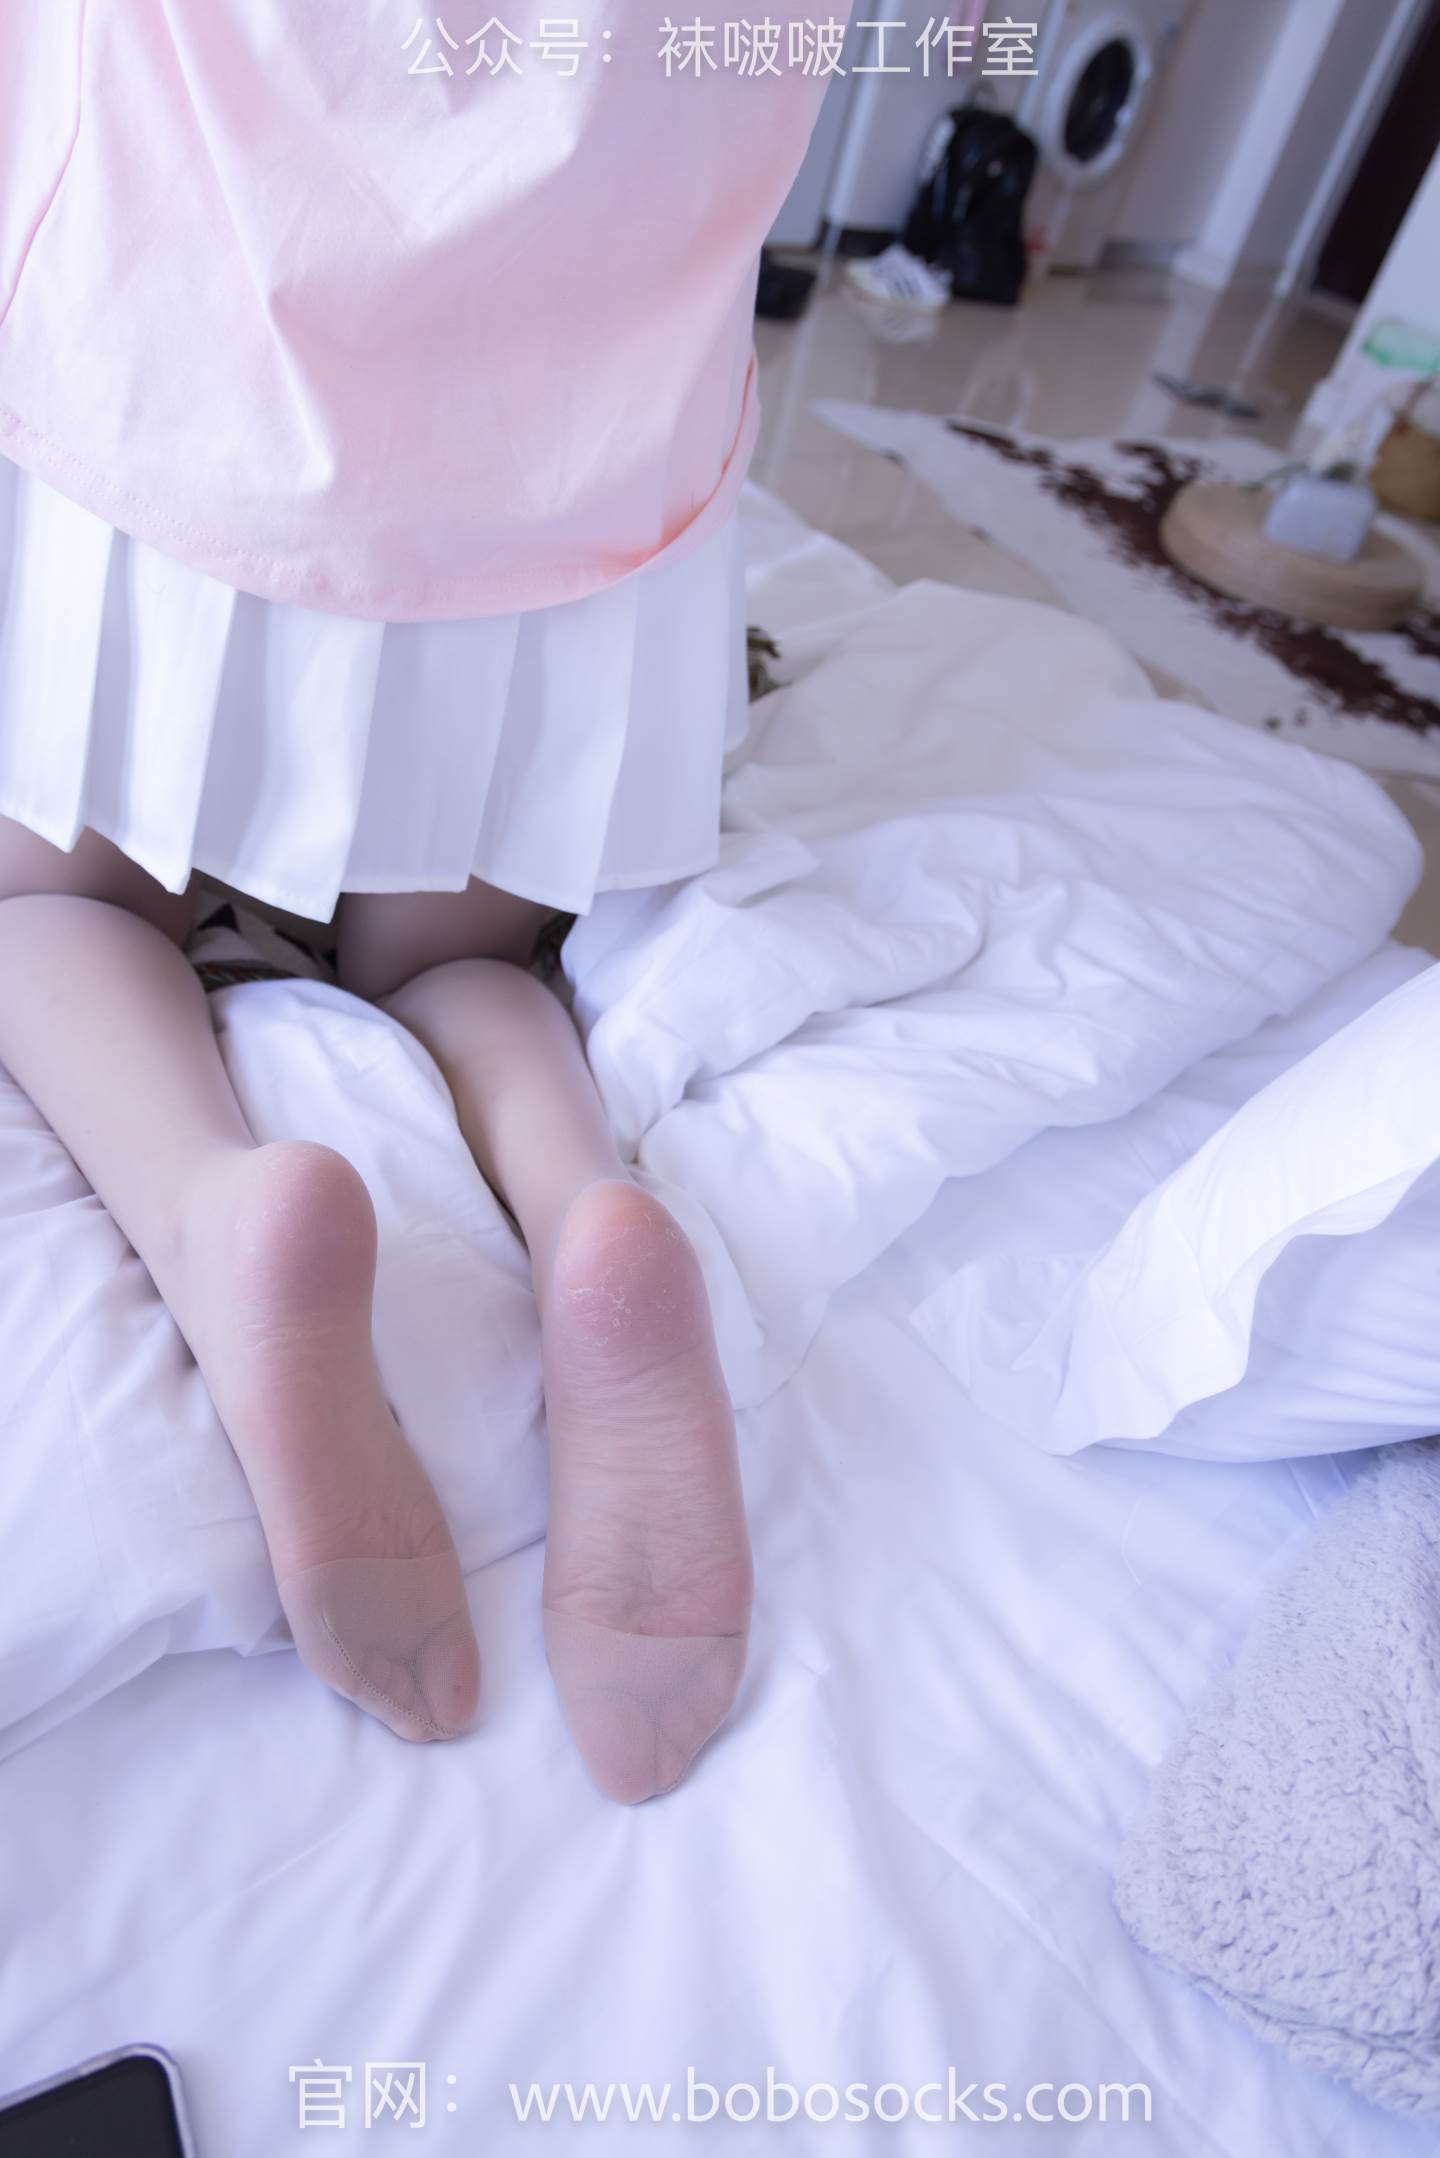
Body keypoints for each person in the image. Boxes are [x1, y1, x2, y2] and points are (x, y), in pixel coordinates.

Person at [0, 0, 841, 1800]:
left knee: (52, 900)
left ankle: (218, 1210)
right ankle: (579, 1194)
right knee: (464, 955)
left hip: (201, 347)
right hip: (569, 437)